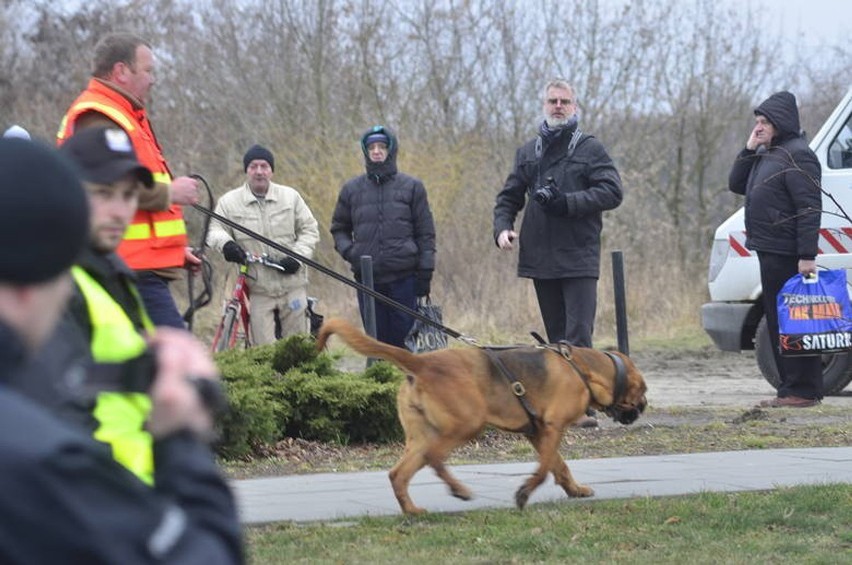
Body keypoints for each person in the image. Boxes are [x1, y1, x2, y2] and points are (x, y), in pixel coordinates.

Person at [0, 137, 242, 563]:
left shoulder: (111, 274)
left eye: (130, 195)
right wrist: (181, 433)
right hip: (104, 514)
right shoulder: (62, 285)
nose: (120, 211)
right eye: (103, 194)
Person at [493, 79, 623, 427]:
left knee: (578, 336)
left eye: (565, 101)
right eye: (552, 100)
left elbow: (612, 192)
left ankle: (581, 407)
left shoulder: (590, 149)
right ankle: (564, 403)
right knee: (555, 338)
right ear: (543, 105)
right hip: (540, 256)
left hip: (579, 255)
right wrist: (502, 228)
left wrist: (568, 203)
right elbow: (508, 196)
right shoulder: (528, 152)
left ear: (575, 107)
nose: (558, 106)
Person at [57, 31, 201, 329]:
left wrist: (173, 252)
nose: (153, 79)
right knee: (176, 366)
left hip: (136, 266)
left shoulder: (123, 113)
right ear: (121, 71)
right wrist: (169, 193)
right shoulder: (99, 115)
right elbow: (103, 186)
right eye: (148, 70)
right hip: (127, 267)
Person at [729, 91, 823, 408]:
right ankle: (788, 388)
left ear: (780, 123)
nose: (759, 127)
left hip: (788, 254)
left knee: (795, 321)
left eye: (765, 122)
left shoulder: (798, 154)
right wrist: (748, 148)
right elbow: (736, 184)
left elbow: (809, 208)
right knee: (779, 322)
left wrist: (807, 256)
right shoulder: (769, 154)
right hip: (768, 250)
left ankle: (803, 390)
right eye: (757, 121)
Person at [331, 125, 436, 349]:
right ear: (366, 152)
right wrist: (352, 253)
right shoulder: (351, 189)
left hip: (404, 278)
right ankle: (378, 381)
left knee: (404, 343)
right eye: (371, 147)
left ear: (391, 150)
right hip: (368, 279)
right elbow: (338, 228)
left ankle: (405, 383)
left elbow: (425, 234)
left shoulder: (412, 187)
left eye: (381, 146)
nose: (377, 151)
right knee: (375, 342)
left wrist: (425, 273)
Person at [207, 144, 320, 344]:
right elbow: (213, 230)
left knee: (298, 347)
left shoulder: (290, 197)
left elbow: (310, 230)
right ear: (246, 170)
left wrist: (297, 257)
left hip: (292, 285)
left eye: (264, 166)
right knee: (263, 351)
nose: (259, 171)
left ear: (271, 171)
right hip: (259, 290)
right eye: (253, 166)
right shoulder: (229, 202)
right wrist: (226, 245)